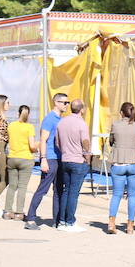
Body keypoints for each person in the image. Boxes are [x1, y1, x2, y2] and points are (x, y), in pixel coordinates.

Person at [24, 92, 70, 230]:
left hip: (59, 158)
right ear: (56, 103)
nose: (66, 105)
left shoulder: (60, 119)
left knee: (59, 191)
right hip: (50, 158)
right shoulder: (49, 119)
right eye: (64, 102)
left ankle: (57, 221)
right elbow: (43, 139)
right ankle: (31, 218)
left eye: (68, 103)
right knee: (43, 189)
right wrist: (43, 159)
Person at [55, 98, 91, 232]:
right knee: (73, 193)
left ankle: (62, 221)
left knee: (66, 190)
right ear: (82, 109)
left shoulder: (61, 122)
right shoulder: (82, 124)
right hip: (77, 160)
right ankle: (70, 221)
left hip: (65, 159)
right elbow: (85, 142)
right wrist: (87, 158)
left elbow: (58, 143)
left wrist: (65, 151)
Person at [106, 101, 135, 235]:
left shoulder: (115, 125)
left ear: (121, 113)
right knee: (132, 196)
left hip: (118, 163)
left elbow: (111, 141)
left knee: (116, 195)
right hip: (133, 163)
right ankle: (130, 226)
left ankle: (111, 222)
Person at [4, 104, 38, 220]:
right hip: (26, 159)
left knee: (12, 186)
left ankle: (7, 211)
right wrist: (37, 148)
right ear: (28, 115)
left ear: (17, 113)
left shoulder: (11, 126)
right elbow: (32, 146)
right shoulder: (29, 127)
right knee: (22, 187)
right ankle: (19, 213)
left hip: (12, 158)